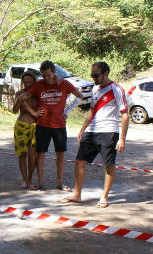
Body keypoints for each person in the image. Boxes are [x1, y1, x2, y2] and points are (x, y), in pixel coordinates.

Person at [60, 61, 129, 208]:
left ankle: (104, 197)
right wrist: (83, 129)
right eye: (92, 76)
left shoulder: (117, 89)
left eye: (96, 76)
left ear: (105, 74)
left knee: (108, 164)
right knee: (79, 161)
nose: (94, 79)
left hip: (109, 131)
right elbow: (92, 110)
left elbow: (125, 115)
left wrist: (122, 138)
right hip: (92, 130)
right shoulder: (95, 89)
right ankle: (77, 194)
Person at [27, 60, 85, 191]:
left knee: (60, 153)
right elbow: (25, 96)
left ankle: (59, 182)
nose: (46, 78)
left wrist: (67, 111)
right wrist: (34, 112)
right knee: (40, 153)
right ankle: (40, 182)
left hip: (59, 125)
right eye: (44, 75)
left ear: (54, 72)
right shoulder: (39, 84)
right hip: (42, 124)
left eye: (48, 75)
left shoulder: (63, 83)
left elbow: (80, 96)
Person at [12, 71, 45, 189]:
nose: (28, 84)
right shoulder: (19, 93)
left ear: (34, 82)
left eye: (30, 82)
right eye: (25, 82)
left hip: (35, 126)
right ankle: (24, 180)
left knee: (32, 156)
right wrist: (19, 99)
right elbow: (14, 110)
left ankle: (30, 180)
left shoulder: (38, 94)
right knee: (22, 155)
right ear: (22, 82)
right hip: (21, 125)